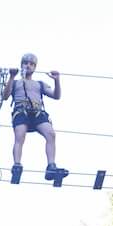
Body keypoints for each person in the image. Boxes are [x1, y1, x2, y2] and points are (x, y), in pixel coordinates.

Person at [8, 53, 66, 181]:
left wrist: (56, 80)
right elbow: (5, 95)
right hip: (21, 111)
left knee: (51, 134)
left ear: (35, 67)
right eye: (26, 63)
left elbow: (56, 96)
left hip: (37, 112)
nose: (28, 65)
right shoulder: (16, 82)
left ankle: (51, 165)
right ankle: (17, 164)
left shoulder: (40, 84)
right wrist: (11, 77)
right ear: (21, 65)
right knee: (20, 136)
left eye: (31, 64)